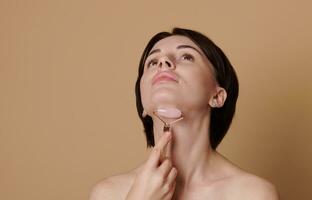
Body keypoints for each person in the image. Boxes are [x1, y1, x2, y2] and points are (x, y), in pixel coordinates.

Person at [90, 28, 279, 200]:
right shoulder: (108, 193)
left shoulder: (252, 194)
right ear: (142, 105)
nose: (163, 62)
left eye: (186, 57)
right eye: (153, 62)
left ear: (217, 96)